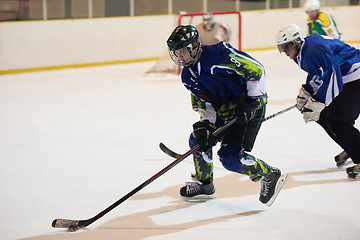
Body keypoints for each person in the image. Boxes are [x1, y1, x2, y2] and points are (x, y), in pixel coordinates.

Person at [166, 25, 287, 206]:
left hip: (248, 109)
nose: (180, 57)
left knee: (230, 158)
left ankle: (269, 174)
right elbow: (204, 102)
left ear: (195, 46)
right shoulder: (187, 76)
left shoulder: (219, 54)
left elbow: (256, 70)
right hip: (224, 112)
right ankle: (204, 185)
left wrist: (254, 101)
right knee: (198, 140)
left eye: (183, 51)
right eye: (177, 53)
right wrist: (206, 124)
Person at [275, 24, 360, 179]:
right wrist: (306, 92)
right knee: (323, 116)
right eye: (282, 47)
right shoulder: (301, 53)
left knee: (338, 121)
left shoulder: (314, 48)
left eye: (287, 46)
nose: (285, 51)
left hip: (356, 77)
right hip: (348, 78)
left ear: (298, 41)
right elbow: (319, 73)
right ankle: (351, 145)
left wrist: (317, 101)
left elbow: (334, 77)